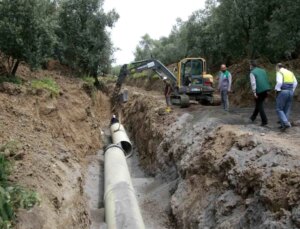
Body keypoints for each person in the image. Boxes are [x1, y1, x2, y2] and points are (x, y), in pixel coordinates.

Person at [275, 63, 298, 130]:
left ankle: (285, 123)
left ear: (278, 67)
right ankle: (283, 125)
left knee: (279, 109)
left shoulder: (279, 72)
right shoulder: (290, 72)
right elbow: (295, 82)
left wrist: (277, 89)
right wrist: (292, 90)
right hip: (290, 91)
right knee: (287, 109)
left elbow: (279, 82)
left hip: (283, 91)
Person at [249, 60, 271, 126]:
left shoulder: (252, 72)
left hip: (259, 90)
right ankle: (253, 117)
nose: (249, 66)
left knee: (259, 105)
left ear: (252, 66)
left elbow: (253, 83)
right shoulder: (263, 70)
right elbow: (266, 79)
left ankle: (264, 121)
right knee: (258, 104)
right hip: (266, 89)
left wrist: (254, 93)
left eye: (250, 65)